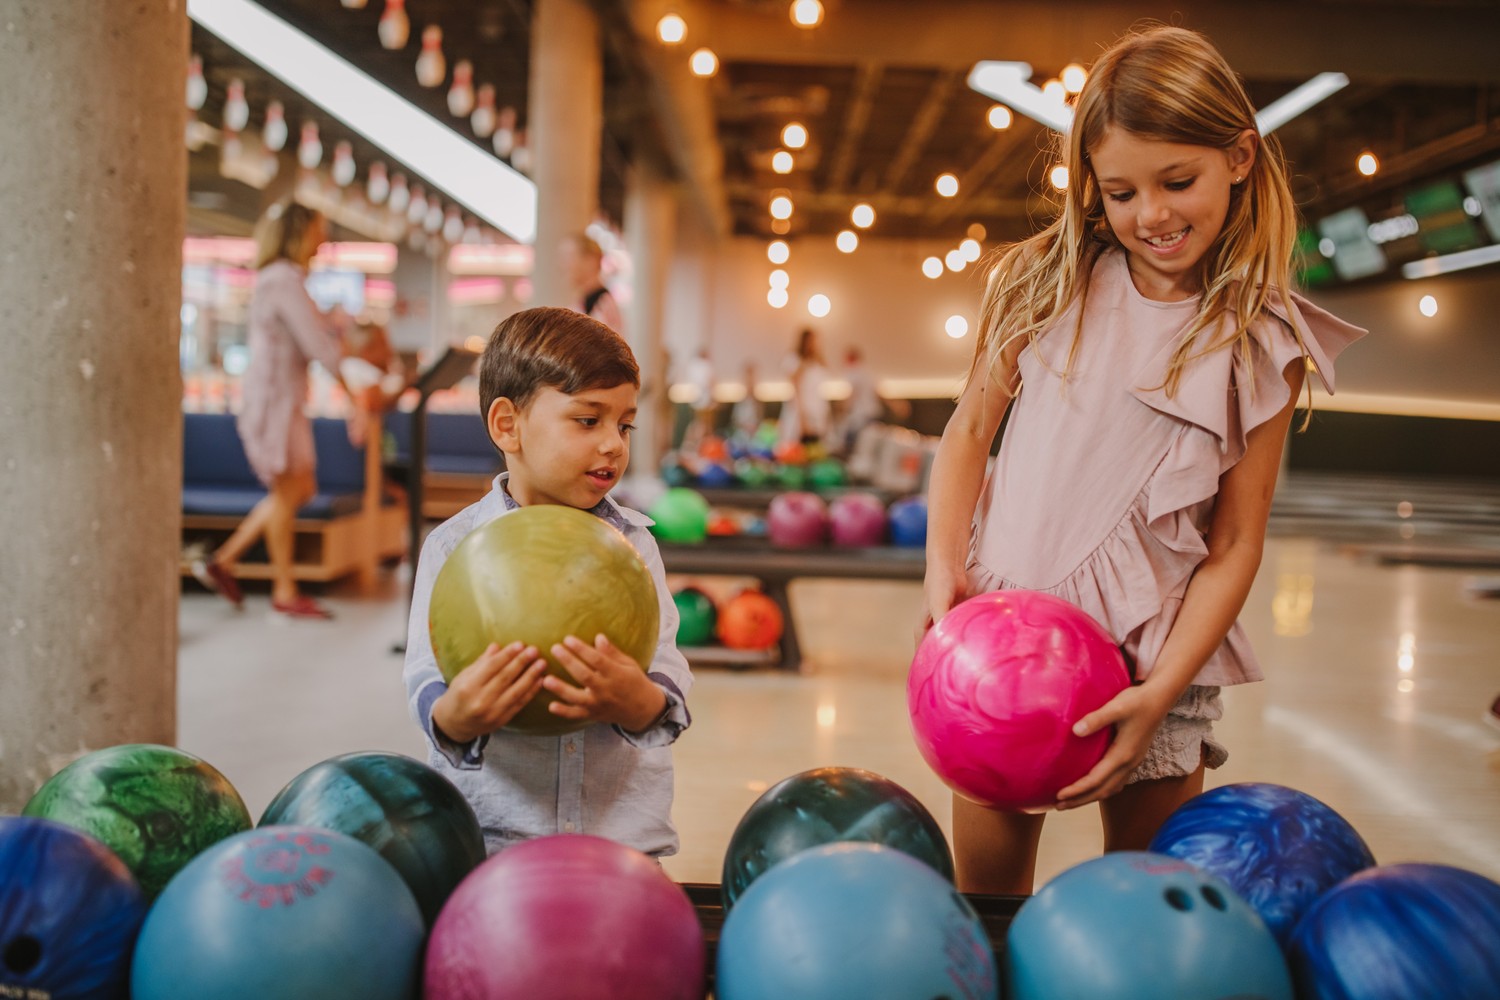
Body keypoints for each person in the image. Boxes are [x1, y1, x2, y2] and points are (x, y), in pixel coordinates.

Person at [920, 26, 1366, 894]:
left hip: (1153, 663)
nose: (1150, 215)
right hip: (1006, 646)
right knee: (986, 907)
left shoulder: (1259, 337)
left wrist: (1159, 692)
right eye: (1120, 192)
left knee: (1135, 920)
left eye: (1177, 181)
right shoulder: (1043, 283)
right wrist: (944, 572)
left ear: (1239, 157)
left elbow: (1236, 541)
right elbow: (969, 432)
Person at [401, 306, 692, 857]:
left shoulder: (633, 546)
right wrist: (458, 715)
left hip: (620, 845)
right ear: (507, 425)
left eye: (624, 424)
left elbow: (668, 670)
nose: (614, 444)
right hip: (496, 842)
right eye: (589, 420)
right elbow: (424, 673)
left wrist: (639, 701)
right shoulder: (454, 547)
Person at [193, 201, 348, 619]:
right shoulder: (281, 280)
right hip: (273, 405)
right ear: (300, 233)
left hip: (283, 402)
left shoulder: (282, 280)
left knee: (299, 488)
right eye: (319, 230)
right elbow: (317, 346)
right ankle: (284, 589)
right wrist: (353, 396)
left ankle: (224, 560)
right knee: (287, 491)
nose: (323, 240)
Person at [560, 233, 625, 335]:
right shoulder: (583, 303)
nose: (563, 265)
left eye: (569, 257)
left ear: (591, 260)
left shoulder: (603, 307)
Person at [777, 327, 830, 446]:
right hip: (801, 411)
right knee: (797, 447)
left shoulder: (817, 361)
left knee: (816, 447)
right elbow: (795, 387)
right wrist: (802, 418)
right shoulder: (794, 359)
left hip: (818, 410)